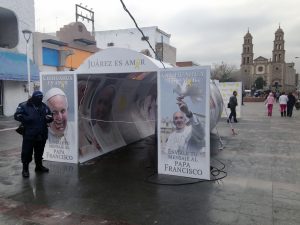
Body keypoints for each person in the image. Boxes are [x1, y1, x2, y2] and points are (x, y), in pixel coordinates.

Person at [14, 90, 53, 178]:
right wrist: (27, 118)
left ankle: (39, 166)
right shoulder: (24, 105)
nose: (40, 99)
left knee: (39, 152)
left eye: (41, 97)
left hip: (42, 133)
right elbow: (16, 115)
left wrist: (49, 118)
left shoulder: (44, 106)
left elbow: (50, 116)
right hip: (29, 133)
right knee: (27, 152)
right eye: (38, 97)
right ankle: (25, 169)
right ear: (33, 97)